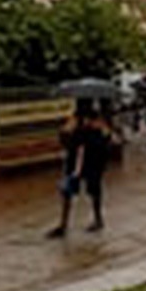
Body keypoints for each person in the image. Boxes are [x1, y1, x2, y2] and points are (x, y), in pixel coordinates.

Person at [48, 101, 112, 238]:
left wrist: (97, 129)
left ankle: (97, 219)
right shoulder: (75, 120)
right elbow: (66, 140)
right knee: (68, 190)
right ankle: (64, 224)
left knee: (93, 190)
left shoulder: (97, 120)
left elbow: (106, 140)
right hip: (76, 162)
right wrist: (67, 130)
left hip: (92, 161)